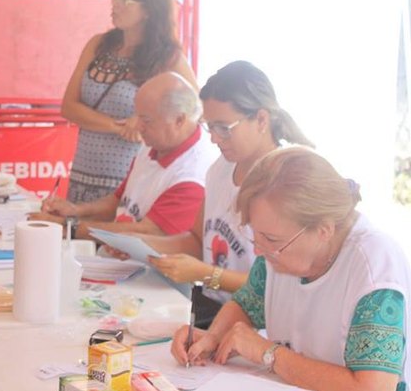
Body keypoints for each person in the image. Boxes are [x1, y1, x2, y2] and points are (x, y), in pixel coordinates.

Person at [172, 147, 411, 391]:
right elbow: (246, 305)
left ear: (323, 230)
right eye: (255, 235)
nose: (259, 251)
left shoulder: (375, 267)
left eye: (272, 240)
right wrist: (213, 337)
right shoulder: (277, 254)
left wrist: (270, 354)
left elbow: (375, 388)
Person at [137, 61, 313, 317]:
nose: (214, 138)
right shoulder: (219, 169)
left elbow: (285, 283)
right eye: (209, 126)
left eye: (223, 128)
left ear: (261, 119)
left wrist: (207, 274)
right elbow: (197, 240)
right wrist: (142, 246)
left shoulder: (286, 181)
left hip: (261, 324)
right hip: (213, 309)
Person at [62, 0, 197, 204]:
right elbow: (69, 107)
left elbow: (197, 110)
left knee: (117, 237)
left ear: (148, 9)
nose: (115, 2)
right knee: (74, 236)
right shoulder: (98, 45)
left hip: (129, 180)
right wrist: (117, 126)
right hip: (82, 174)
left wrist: (144, 121)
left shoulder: (168, 58)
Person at [31, 72, 216, 238]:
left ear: (179, 120)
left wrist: (68, 226)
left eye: (146, 120)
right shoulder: (154, 143)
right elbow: (118, 202)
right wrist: (75, 211)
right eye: (137, 116)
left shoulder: (193, 175)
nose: (137, 126)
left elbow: (148, 233)